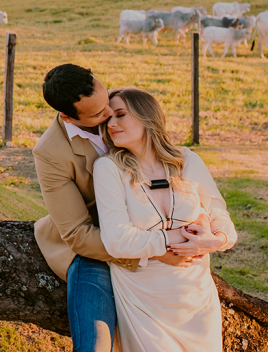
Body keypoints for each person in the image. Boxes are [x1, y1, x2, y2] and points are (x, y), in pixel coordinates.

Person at [33, 64, 195, 352]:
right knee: (96, 344)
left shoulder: (119, 107)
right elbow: (78, 234)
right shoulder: (50, 152)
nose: (109, 115)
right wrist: (152, 252)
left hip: (144, 226)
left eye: (106, 101)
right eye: (97, 114)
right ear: (67, 116)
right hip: (96, 245)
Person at [94, 87, 237, 352]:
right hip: (144, 298)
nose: (111, 124)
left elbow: (221, 218)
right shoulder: (108, 168)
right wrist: (176, 237)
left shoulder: (186, 160)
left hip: (196, 297)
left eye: (120, 115)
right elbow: (116, 240)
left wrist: (213, 241)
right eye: (107, 119)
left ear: (146, 116)